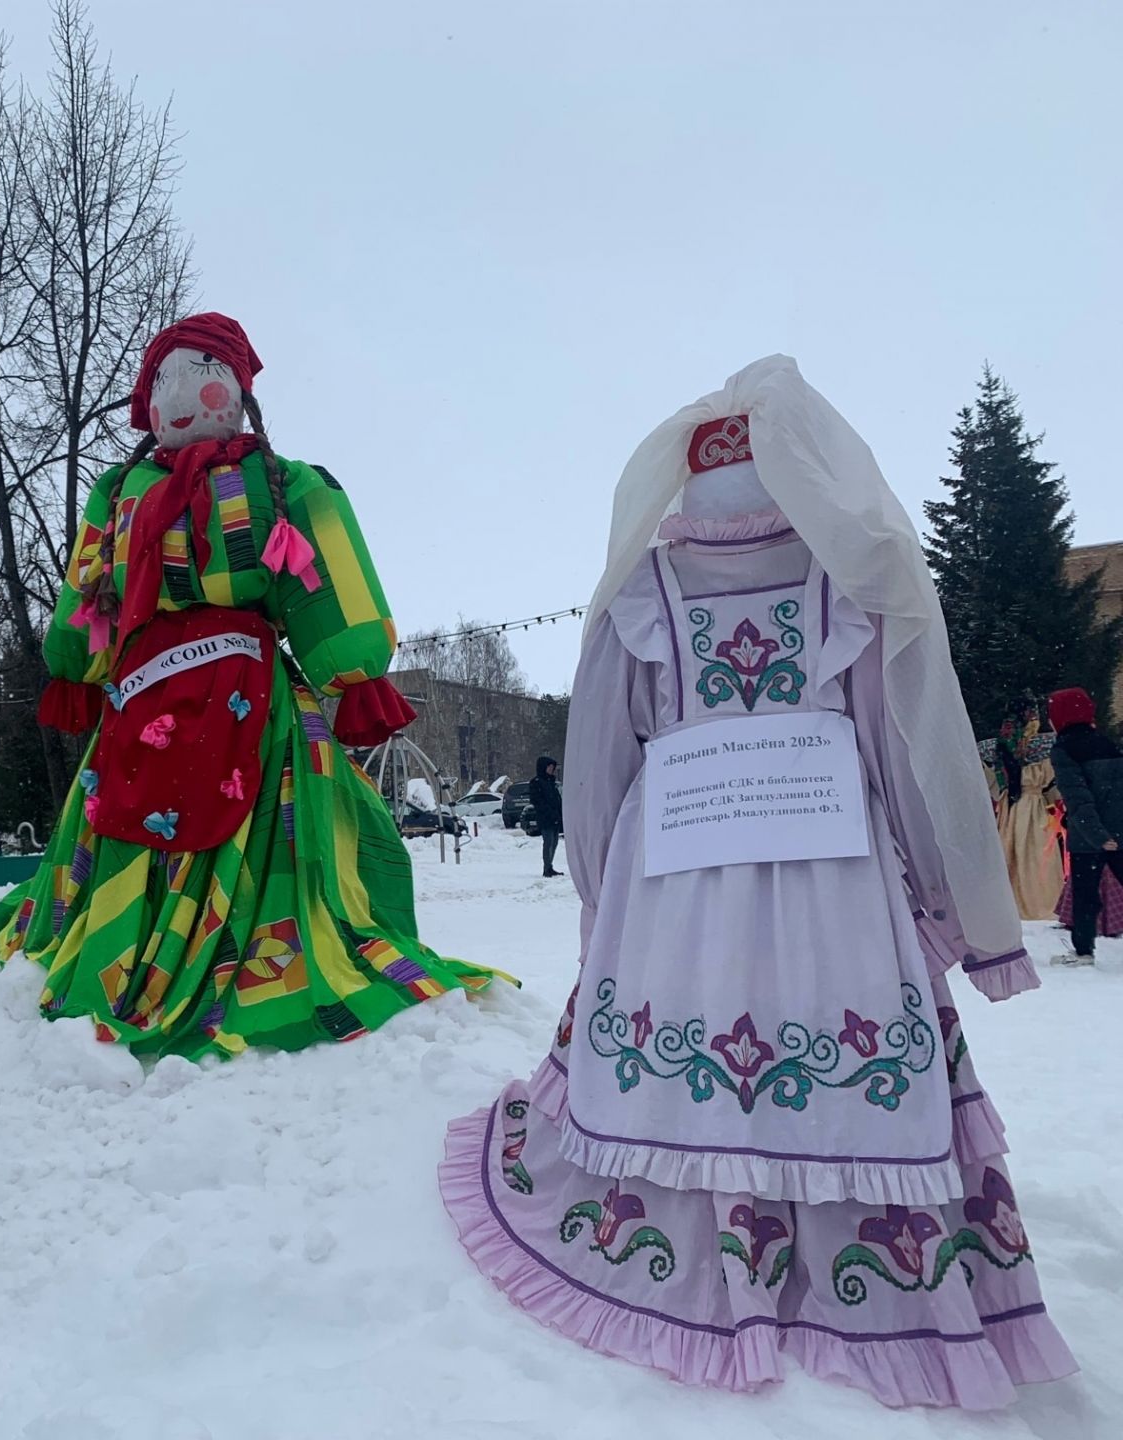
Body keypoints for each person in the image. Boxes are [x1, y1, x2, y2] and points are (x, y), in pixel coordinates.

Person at [440, 357, 1073, 1408]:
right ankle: (878, 1270)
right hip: (836, 872)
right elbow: (903, 742)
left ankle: (703, 1246)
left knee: (685, 1049)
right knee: (839, 1050)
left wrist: (603, 900)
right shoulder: (849, 581)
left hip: (674, 875)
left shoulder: (644, 594)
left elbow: (597, 767)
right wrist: (941, 904)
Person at [0, 312, 506, 1058]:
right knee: (130, 821)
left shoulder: (281, 483)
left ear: (237, 386)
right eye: (161, 376)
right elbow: (85, 596)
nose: (180, 390)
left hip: (252, 699)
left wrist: (353, 665)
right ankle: (122, 941)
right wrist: (74, 651)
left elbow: (327, 580)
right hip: (139, 700)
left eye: (200, 370)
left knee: (276, 836)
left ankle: (257, 958)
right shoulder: (120, 491)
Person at [1046, 686, 1123, 966]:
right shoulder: (1107, 742)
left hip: (1089, 836)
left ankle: (1083, 950)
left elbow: (1078, 796)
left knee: (1085, 895)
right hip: (1119, 829)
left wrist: (1097, 835)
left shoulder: (1063, 750)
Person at [979, 701, 1061, 920]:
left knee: (1010, 849)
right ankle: (1038, 900)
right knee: (1035, 854)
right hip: (1032, 805)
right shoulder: (1046, 747)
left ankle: (1008, 900)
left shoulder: (996, 747)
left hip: (1009, 804)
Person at [529, 755, 563, 877]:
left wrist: (559, 813)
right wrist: (549, 812)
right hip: (545, 817)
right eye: (549, 767)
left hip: (555, 817)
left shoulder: (552, 782)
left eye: (552, 768)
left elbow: (557, 799)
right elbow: (537, 801)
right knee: (548, 842)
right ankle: (546, 868)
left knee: (554, 842)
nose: (551, 769)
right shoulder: (537, 783)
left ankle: (550, 865)